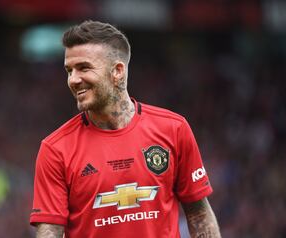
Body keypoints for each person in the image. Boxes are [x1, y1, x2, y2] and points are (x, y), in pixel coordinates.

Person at [30, 20, 221, 238]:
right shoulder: (55, 149)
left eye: (83, 68)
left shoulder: (173, 129)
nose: (73, 80)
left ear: (118, 71)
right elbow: (49, 232)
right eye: (69, 70)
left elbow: (199, 214)